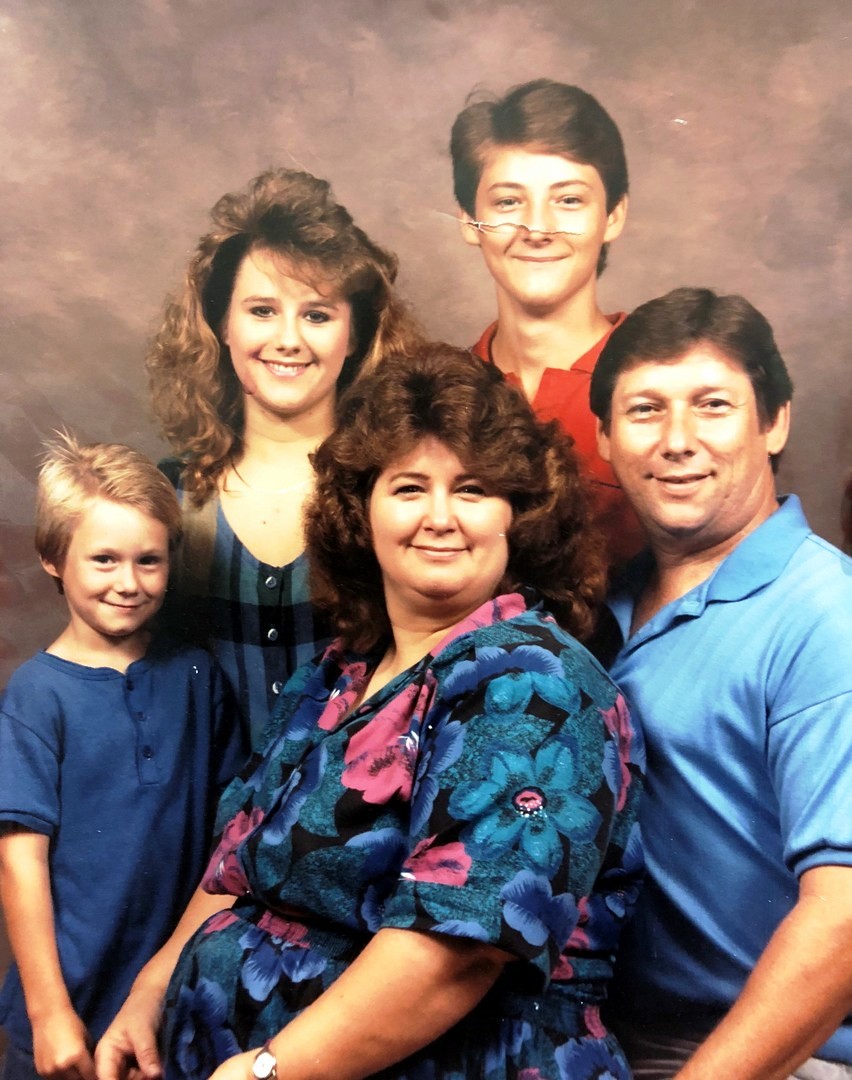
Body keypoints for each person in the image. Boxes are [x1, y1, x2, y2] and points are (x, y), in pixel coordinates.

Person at [96, 344, 644, 1080]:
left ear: (519, 515)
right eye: (409, 487)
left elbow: (458, 952)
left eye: (473, 490)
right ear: (362, 510)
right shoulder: (339, 673)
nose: (440, 517)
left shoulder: (536, 683)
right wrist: (152, 991)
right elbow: (241, 863)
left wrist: (269, 1070)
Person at [588, 287, 852, 1078]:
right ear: (603, 437)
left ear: (774, 423)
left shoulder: (826, 617)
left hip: (782, 1055)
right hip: (616, 1041)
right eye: (645, 410)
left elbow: (843, 919)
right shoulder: (595, 611)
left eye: (712, 405)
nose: (678, 441)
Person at [0, 434, 246, 1080]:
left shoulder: (197, 677)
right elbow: (20, 860)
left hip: (170, 1003)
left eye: (149, 561)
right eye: (104, 559)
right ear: (54, 558)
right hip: (67, 1007)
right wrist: (48, 1013)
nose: (129, 583)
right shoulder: (37, 695)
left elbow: (231, 834)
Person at [150, 167, 421, 749]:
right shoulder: (167, 497)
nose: (289, 339)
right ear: (222, 323)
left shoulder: (393, 488)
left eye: (317, 314)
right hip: (199, 802)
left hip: (348, 803)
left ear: (355, 335)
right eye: (262, 310)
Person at [450, 77, 643, 564]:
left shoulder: (660, 382)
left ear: (613, 216)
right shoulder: (441, 392)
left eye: (569, 200)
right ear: (469, 221)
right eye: (508, 202)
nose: (537, 228)